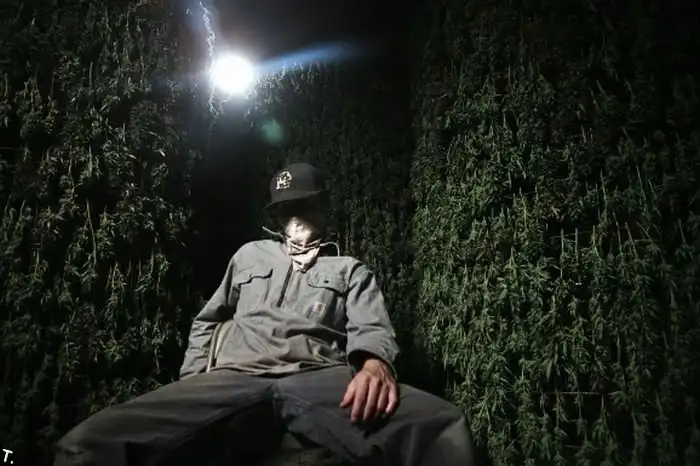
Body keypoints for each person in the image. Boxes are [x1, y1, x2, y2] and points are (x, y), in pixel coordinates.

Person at [54, 163, 476, 466]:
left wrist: (375, 365)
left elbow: (371, 325)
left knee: (441, 425)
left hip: (317, 377)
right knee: (88, 443)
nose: (294, 217)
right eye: (284, 209)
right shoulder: (249, 255)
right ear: (274, 215)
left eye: (304, 206)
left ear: (324, 207)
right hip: (234, 376)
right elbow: (208, 319)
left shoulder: (349, 269)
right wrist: (194, 381)